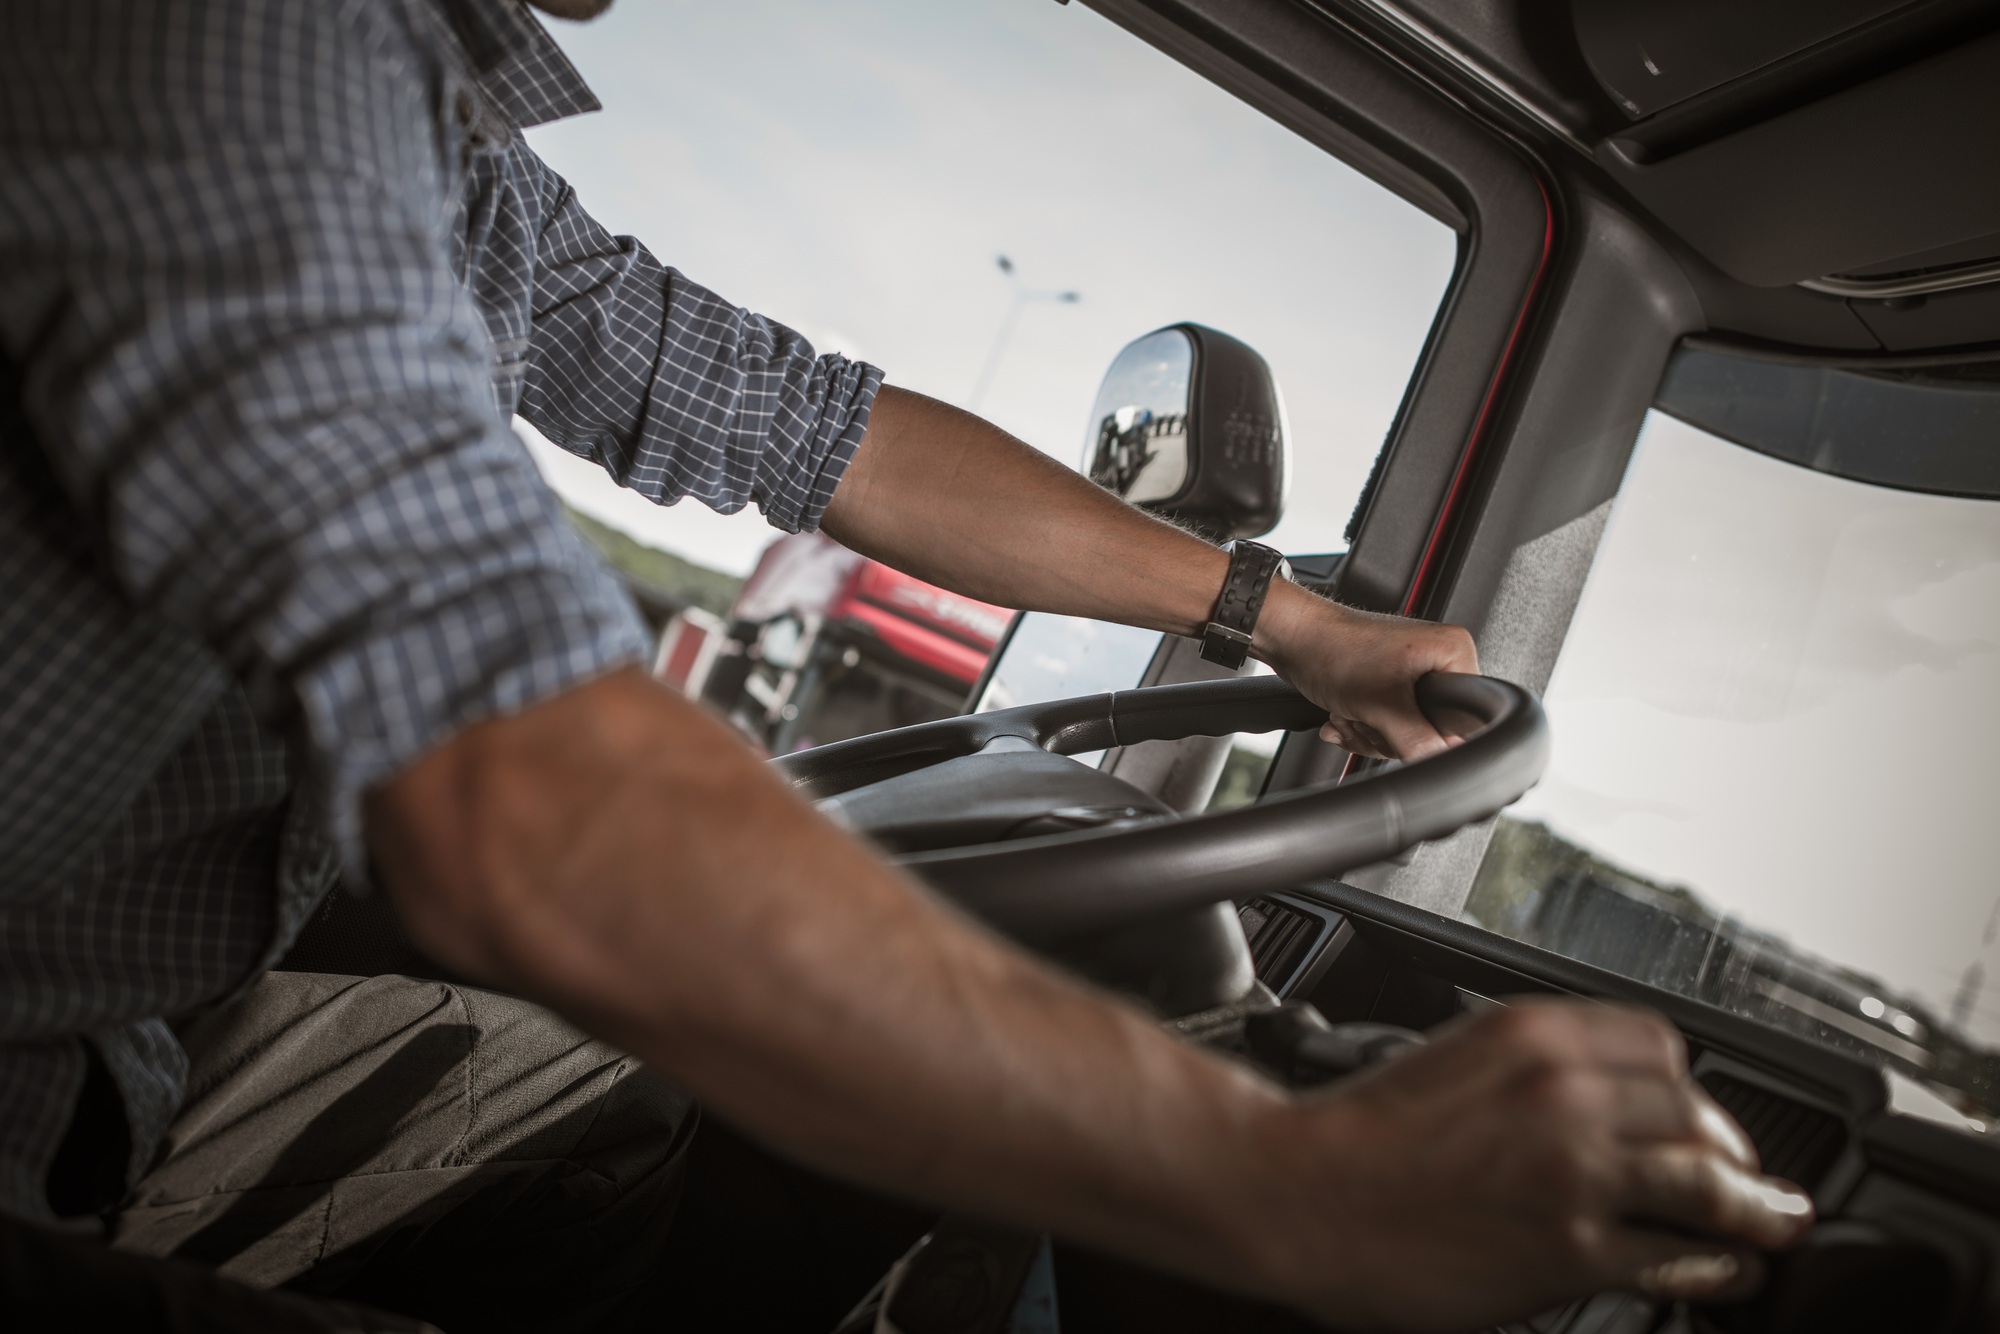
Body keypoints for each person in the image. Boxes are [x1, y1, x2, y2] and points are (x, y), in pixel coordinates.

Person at [0, 0, 1813, 1329]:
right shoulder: (224, 51)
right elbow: (528, 799)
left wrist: (1289, 619)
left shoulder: (442, 152)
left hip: (147, 1046)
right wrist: (1301, 1183)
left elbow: (803, 421)